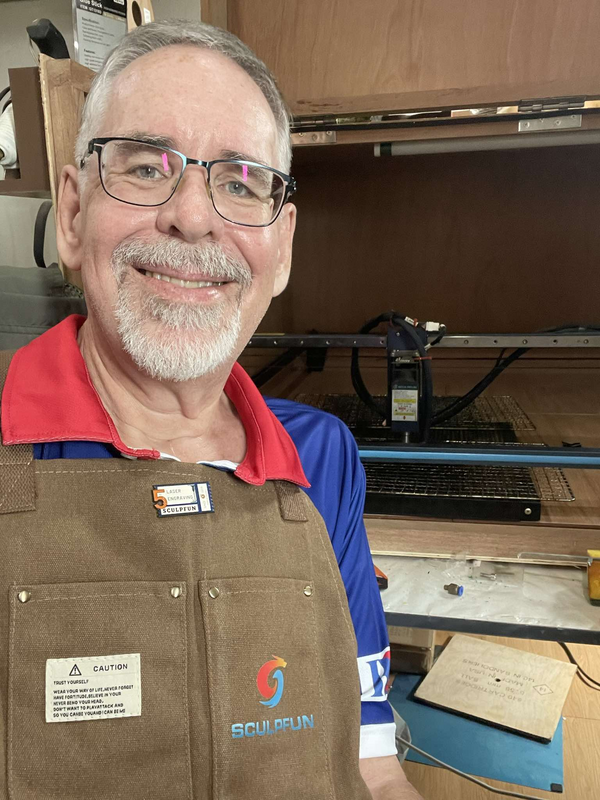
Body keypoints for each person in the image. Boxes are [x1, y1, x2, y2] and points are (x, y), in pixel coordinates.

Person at [0, 20, 425, 800]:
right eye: (144, 166)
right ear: (70, 214)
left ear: (283, 247)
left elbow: (369, 763)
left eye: (239, 181)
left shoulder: (322, 461)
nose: (193, 218)